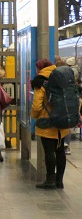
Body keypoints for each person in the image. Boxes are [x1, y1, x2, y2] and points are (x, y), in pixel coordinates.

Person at [31, 59, 69, 189]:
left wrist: (35, 116)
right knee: (60, 151)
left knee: (49, 151)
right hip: (62, 120)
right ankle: (59, 181)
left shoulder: (40, 81)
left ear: (40, 68)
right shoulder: (61, 77)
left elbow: (36, 105)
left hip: (47, 121)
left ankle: (50, 180)